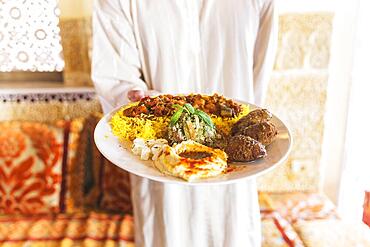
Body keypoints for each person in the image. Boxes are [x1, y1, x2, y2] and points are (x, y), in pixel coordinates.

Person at [92, 1, 277, 246]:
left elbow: (258, 77)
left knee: (233, 233)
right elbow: (114, 76)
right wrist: (138, 99)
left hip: (236, 168)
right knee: (167, 232)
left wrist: (239, 129)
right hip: (159, 164)